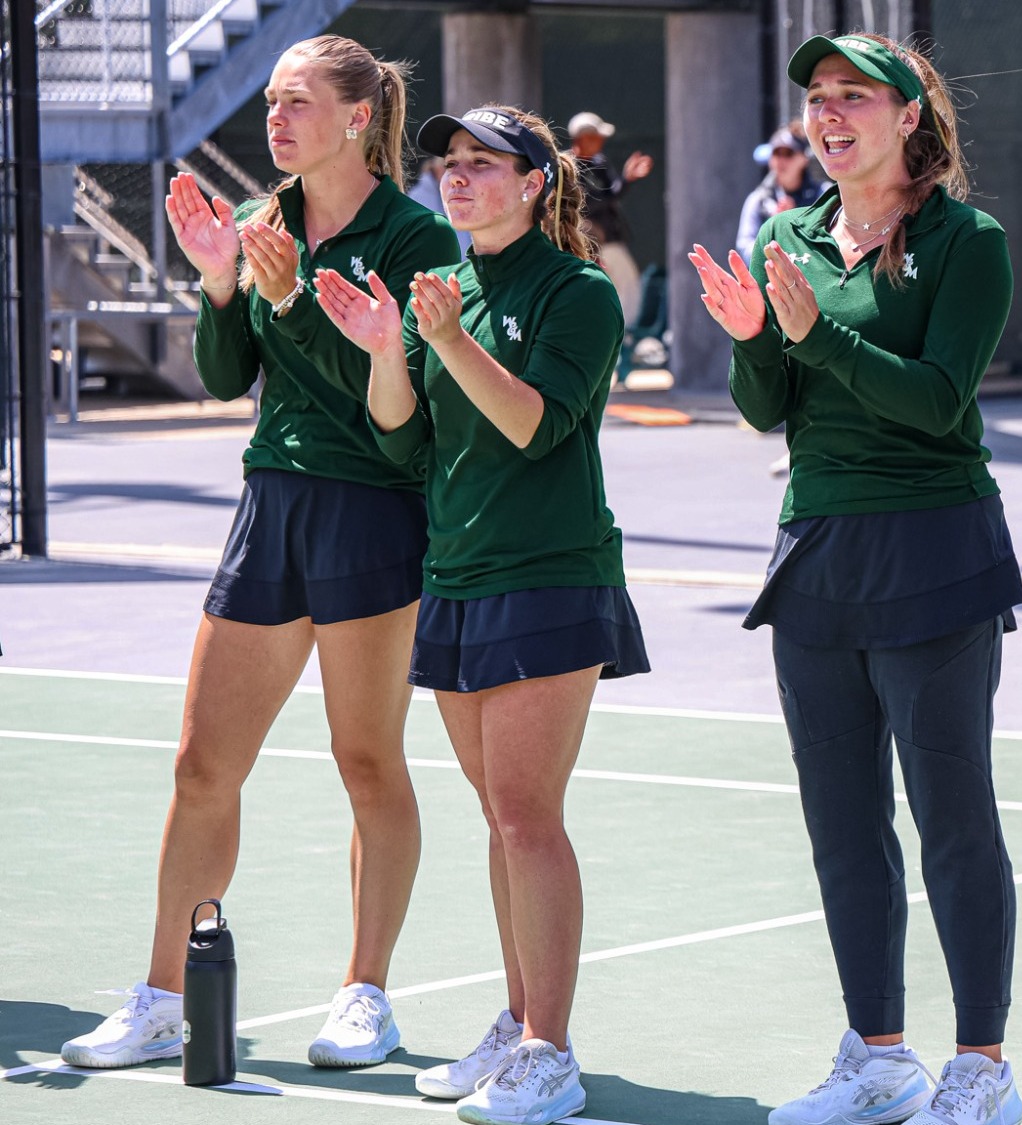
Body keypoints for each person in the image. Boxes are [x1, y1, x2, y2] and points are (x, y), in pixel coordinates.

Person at [59, 35, 459, 1074]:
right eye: (271, 102)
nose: (275, 120)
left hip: (374, 511)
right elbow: (224, 376)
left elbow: (397, 417)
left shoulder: (416, 239)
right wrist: (222, 285)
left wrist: (285, 299)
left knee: (365, 761)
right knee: (202, 766)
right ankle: (161, 996)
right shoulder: (259, 222)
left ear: (358, 117)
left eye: (295, 102)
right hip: (270, 504)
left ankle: (366, 994)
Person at [689, 32, 1022, 1125]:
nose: (828, 115)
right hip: (819, 555)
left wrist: (811, 336)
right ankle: (879, 1057)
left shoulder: (968, 241)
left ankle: (981, 1067)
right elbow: (764, 407)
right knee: (841, 822)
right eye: (818, 99)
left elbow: (938, 402)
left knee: (952, 817)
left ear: (910, 119)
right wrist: (753, 340)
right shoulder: (788, 234)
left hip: (935, 553)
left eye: (853, 98)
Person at [316, 103, 647, 1125]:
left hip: (550, 574)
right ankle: (516, 1020)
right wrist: (386, 347)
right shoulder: (443, 293)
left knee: (524, 816)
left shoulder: (579, 293)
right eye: (448, 164)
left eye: (481, 164)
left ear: (537, 181)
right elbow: (400, 446)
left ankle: (551, 1052)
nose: (456, 179)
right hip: (455, 576)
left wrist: (446, 339)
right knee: (499, 823)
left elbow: (532, 426)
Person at [568, 110, 651, 328]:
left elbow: (611, 195)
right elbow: (586, 204)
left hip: (610, 237)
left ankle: (623, 334)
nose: (601, 141)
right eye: (596, 136)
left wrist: (627, 178)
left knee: (626, 286)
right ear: (582, 138)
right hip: (584, 242)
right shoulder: (567, 165)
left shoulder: (599, 161)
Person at [736, 121, 829, 263]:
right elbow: (745, 251)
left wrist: (798, 224)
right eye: (776, 153)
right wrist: (774, 228)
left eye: (788, 153)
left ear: (804, 158)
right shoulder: (758, 200)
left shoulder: (824, 195)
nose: (780, 160)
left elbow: (834, 245)